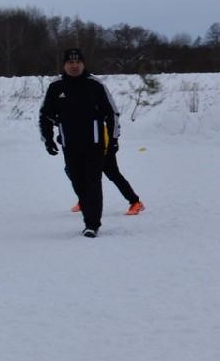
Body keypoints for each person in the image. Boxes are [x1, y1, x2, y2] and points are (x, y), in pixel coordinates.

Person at [39, 48, 118, 238]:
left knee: (93, 182)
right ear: (64, 65)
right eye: (70, 63)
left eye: (78, 62)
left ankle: (92, 223)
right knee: (78, 181)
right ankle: (88, 212)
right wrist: (48, 139)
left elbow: (111, 113)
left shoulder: (95, 85)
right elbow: (45, 115)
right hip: (70, 145)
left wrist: (114, 139)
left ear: (83, 64)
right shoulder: (56, 87)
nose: (74, 66)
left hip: (95, 144)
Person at [68, 80, 144, 216]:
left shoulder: (96, 92)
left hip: (102, 143)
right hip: (82, 144)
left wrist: (113, 140)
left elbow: (112, 116)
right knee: (76, 173)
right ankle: (83, 200)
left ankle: (135, 201)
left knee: (112, 173)